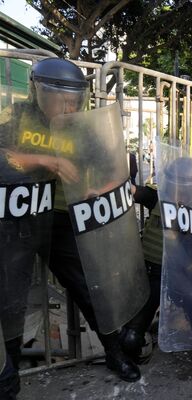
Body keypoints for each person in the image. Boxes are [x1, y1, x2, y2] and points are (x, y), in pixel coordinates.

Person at [0, 58, 142, 388]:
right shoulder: (16, 117)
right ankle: (9, 377)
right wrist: (44, 159)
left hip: (61, 220)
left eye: (75, 98)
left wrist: (98, 188)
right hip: (17, 222)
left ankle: (114, 351)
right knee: (11, 300)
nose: (68, 105)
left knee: (88, 286)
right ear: (38, 91)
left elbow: (114, 168)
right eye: (59, 96)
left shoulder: (81, 127)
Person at [119, 158, 192, 372]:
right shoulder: (157, 198)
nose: (179, 189)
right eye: (175, 182)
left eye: (184, 183)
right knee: (129, 340)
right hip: (151, 275)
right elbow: (129, 191)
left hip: (182, 274)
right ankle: (135, 346)